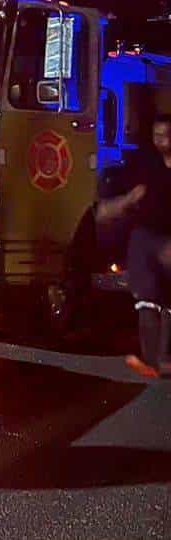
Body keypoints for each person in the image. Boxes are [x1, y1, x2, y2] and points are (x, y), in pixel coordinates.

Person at [98, 113, 171, 377]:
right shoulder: (147, 165)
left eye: (167, 135)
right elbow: (130, 199)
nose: (163, 141)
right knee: (147, 300)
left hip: (166, 240)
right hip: (144, 238)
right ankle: (152, 360)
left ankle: (163, 358)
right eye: (158, 136)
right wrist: (120, 204)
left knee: (166, 302)